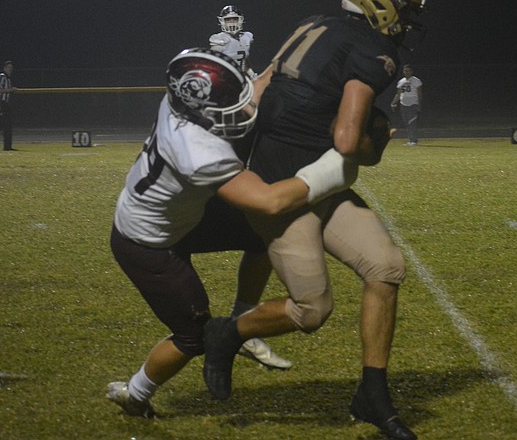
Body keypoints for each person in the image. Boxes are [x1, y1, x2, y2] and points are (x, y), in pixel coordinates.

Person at [202, 0, 426, 440]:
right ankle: (229, 332)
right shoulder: (374, 51)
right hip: (288, 188)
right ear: (378, 3)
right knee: (312, 309)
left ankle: (372, 393)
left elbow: (258, 89)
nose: (405, 20)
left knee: (386, 267)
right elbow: (348, 142)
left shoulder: (312, 24)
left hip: (303, 177)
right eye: (402, 9)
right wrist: (377, 141)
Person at [106, 48, 357, 418]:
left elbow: (252, 92)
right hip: (147, 243)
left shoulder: (181, 101)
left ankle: (245, 319)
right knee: (193, 336)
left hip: (181, 217)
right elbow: (269, 201)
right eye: (227, 105)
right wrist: (333, 169)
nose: (239, 109)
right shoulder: (198, 151)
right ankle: (136, 394)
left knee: (258, 235)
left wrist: (294, 52)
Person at [209, 4, 255, 77]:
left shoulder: (246, 37)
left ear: (240, 20)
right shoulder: (219, 39)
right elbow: (211, 63)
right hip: (225, 79)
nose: (231, 22)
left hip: (241, 79)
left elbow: (243, 61)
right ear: (222, 21)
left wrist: (252, 74)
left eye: (234, 19)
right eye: (228, 20)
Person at [391, 64, 423, 146]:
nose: (407, 72)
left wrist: (419, 104)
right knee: (406, 122)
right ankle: (410, 139)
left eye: (408, 70)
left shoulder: (416, 81)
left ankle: (413, 140)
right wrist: (394, 102)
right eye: (405, 70)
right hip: (403, 104)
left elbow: (419, 94)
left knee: (412, 122)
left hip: (413, 103)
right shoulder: (401, 81)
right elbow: (398, 94)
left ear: (411, 71)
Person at [0, 61, 19, 151]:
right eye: (8, 67)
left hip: (7, 103)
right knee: (0, 125)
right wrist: (11, 90)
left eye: (11, 68)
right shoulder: (2, 76)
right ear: (4, 68)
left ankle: (7, 146)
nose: (10, 69)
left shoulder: (8, 78)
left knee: (8, 125)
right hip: (2, 102)